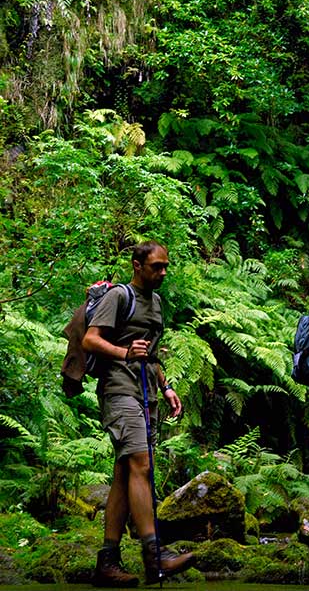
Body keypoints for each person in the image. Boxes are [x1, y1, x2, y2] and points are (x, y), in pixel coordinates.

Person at [82, 240, 193, 587]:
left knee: (124, 473)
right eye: (156, 266)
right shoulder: (119, 297)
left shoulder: (156, 303)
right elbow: (90, 339)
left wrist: (167, 386)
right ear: (137, 265)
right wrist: (123, 352)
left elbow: (151, 354)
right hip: (119, 390)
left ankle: (108, 561)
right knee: (141, 465)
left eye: (165, 266)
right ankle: (154, 555)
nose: (162, 272)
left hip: (146, 393)